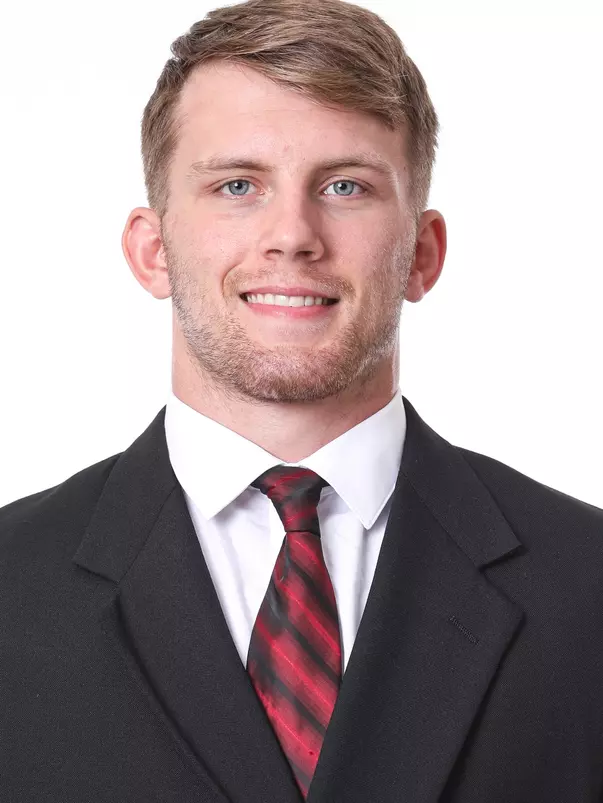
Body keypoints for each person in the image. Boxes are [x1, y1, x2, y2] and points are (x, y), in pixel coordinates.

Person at [1, 0, 602, 800]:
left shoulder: (587, 583)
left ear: (422, 255)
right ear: (152, 252)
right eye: (238, 184)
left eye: (346, 185)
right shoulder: (12, 583)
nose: (292, 233)